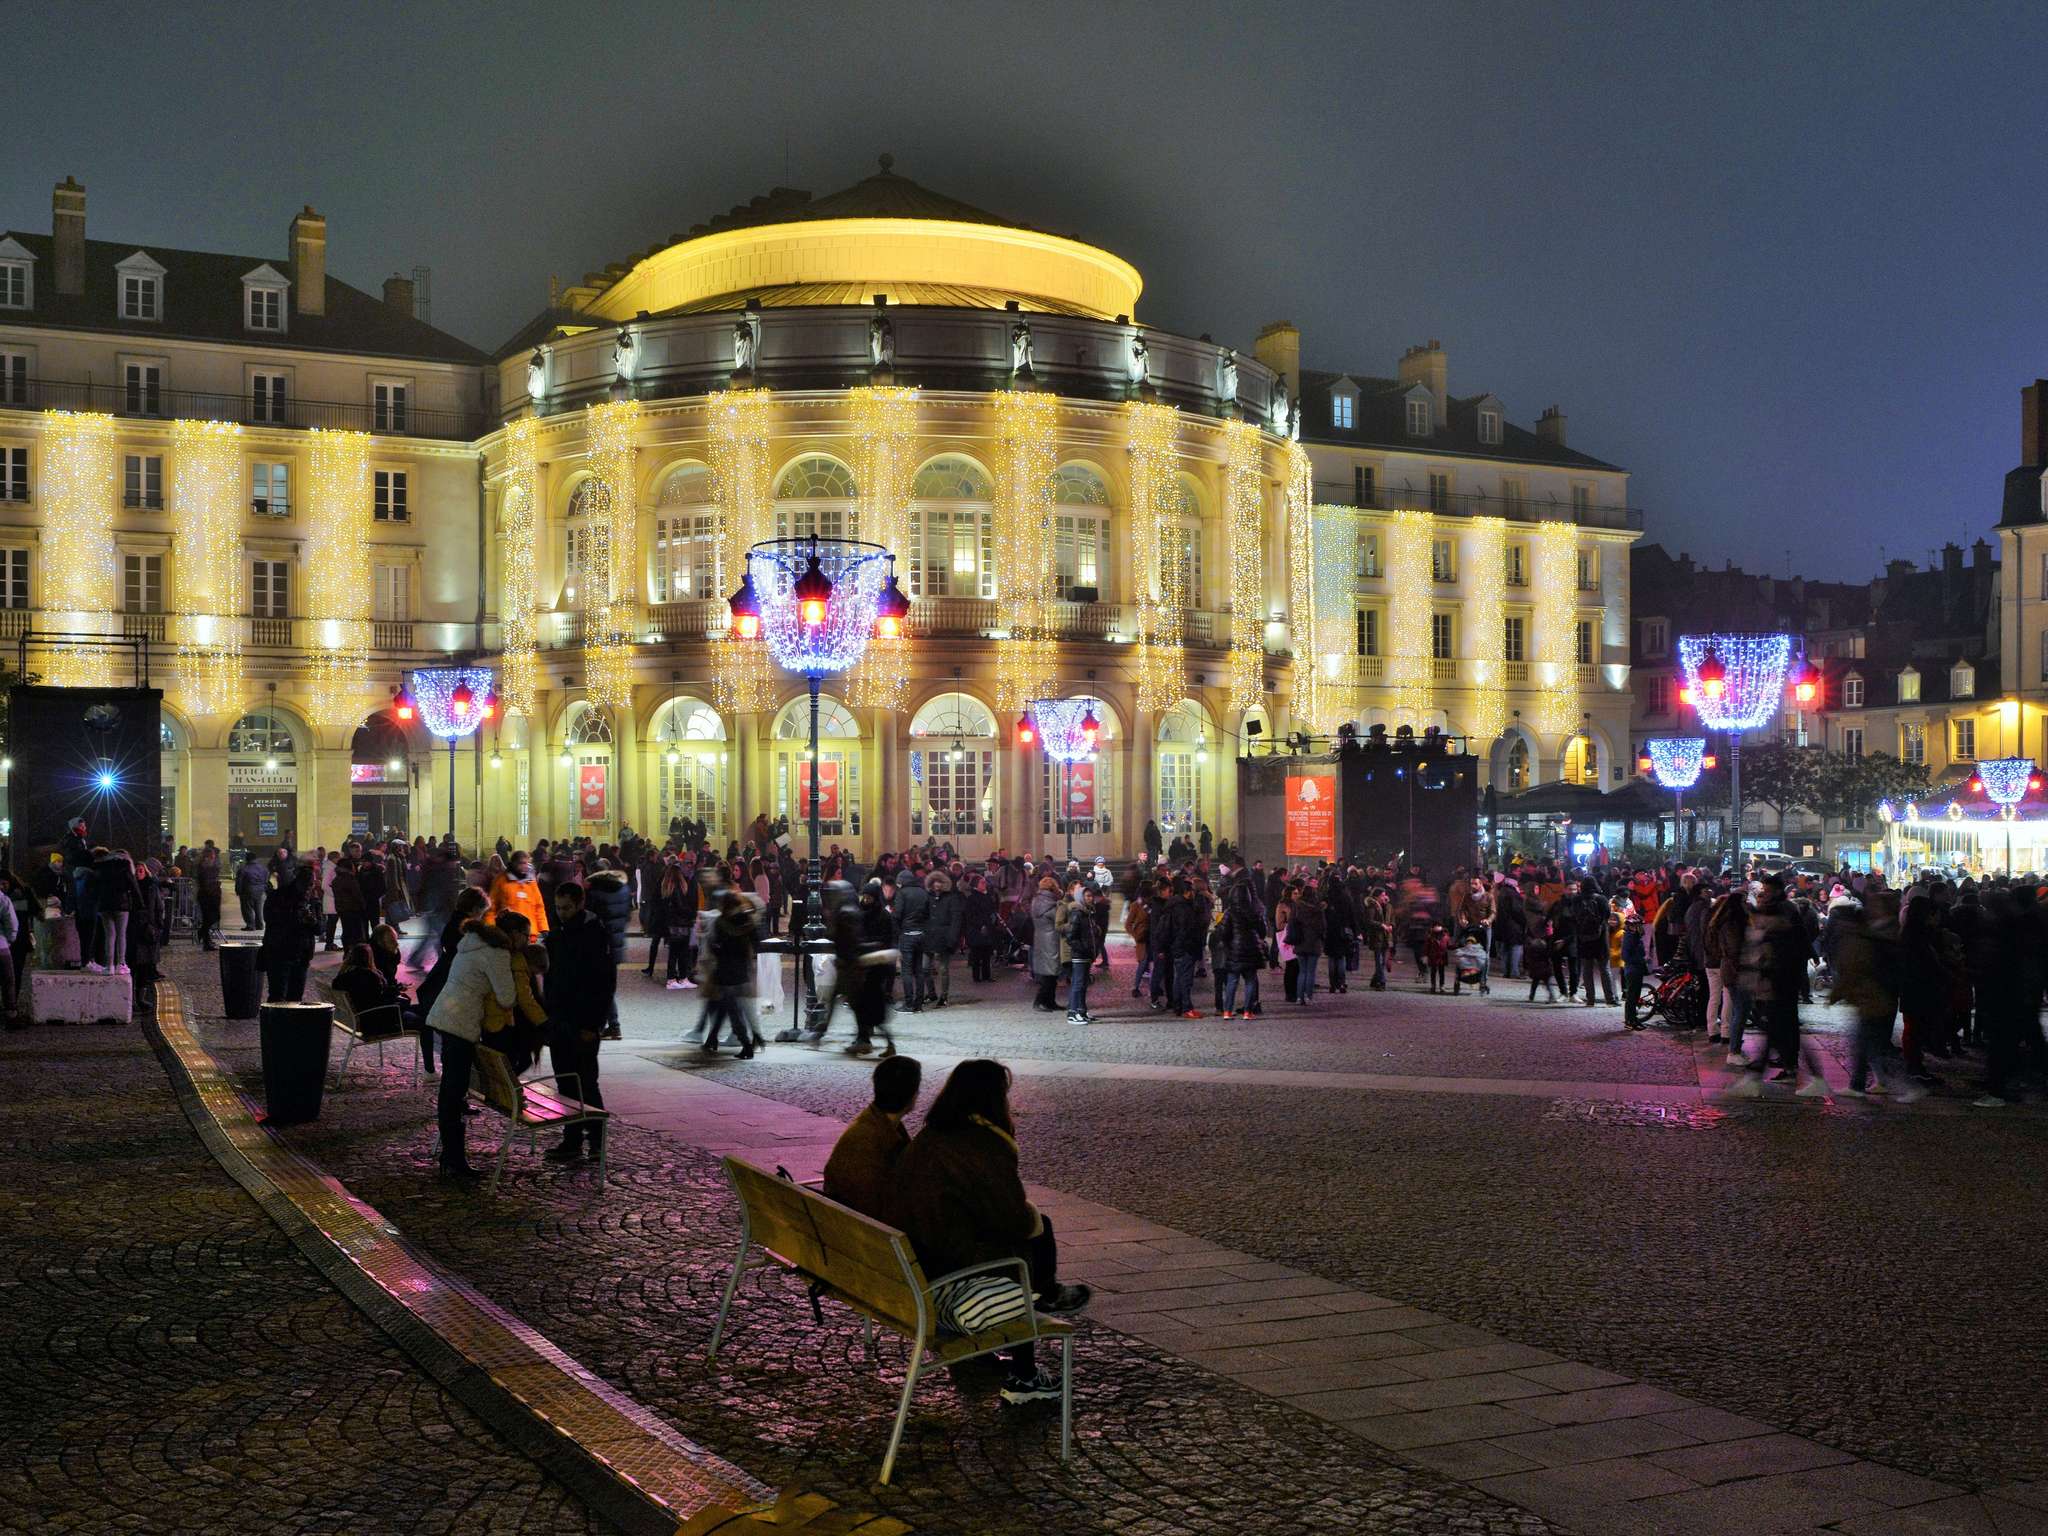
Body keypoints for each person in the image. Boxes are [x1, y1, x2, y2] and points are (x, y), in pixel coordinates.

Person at [894, 1060, 1091, 1406]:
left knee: (1033, 1229)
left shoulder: (932, 1135)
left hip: (921, 1257)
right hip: (948, 1269)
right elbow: (1012, 1219)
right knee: (1022, 1248)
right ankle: (1024, 1376)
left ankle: (1046, 1293)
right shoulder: (983, 1144)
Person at [423, 917, 517, 1179]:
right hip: (461, 1026)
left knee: (450, 1092)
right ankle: (453, 1158)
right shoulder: (497, 954)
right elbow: (507, 997)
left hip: (445, 1016)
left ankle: (451, 1155)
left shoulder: (469, 945)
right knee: (453, 1093)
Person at [541, 882, 614, 1164]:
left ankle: (596, 1141)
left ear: (580, 904)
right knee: (566, 1084)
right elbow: (551, 979)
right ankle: (571, 1139)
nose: (562, 913)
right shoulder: (557, 935)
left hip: (583, 1023)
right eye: (558, 908)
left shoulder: (595, 935)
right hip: (561, 1021)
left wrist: (594, 1024)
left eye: (567, 908)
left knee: (587, 1083)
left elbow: (603, 985)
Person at [822, 1054, 923, 1219]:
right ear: (912, 1095)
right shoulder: (869, 1140)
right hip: (864, 1225)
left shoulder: (875, 1123)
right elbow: (874, 1205)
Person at [699, 888, 762, 1058]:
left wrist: (716, 950)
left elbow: (716, 946)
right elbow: (756, 943)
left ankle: (746, 1045)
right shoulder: (747, 920)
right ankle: (714, 1038)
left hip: (725, 971)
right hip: (742, 970)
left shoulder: (721, 922)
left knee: (731, 1010)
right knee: (735, 1007)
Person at [586, 859, 633, 1040]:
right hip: (617, 945)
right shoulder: (623, 889)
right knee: (607, 987)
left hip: (599, 945)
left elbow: (589, 919)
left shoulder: (594, 892)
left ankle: (610, 1025)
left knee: (600, 987)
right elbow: (627, 916)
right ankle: (610, 1025)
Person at [259, 865, 320, 1002]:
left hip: (302, 955)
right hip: (280, 952)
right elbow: (270, 919)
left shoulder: (312, 900)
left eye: (312, 884)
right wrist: (296, 916)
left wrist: (312, 920)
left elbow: (320, 929)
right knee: (277, 995)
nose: (310, 887)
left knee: (296, 997)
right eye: (308, 884)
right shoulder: (279, 896)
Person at [90, 848, 142, 977]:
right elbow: (133, 885)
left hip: (104, 905)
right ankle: (121, 964)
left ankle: (109, 966)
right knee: (121, 934)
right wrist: (140, 903)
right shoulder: (125, 865)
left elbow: (95, 886)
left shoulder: (102, 866)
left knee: (109, 935)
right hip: (121, 904)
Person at [892, 864, 932, 1013]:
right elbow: (928, 914)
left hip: (907, 935)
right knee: (919, 970)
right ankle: (918, 1004)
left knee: (907, 971)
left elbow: (897, 914)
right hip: (921, 935)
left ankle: (909, 1004)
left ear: (901, 881)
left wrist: (897, 930)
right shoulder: (923, 892)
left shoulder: (902, 893)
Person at [1063, 883, 1102, 1025]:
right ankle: (1073, 1013)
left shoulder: (1088, 913)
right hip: (1080, 955)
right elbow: (1071, 937)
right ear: (1081, 897)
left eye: (1091, 896)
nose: (1090, 898)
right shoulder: (1077, 913)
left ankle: (1081, 1011)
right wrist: (1083, 949)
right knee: (1078, 984)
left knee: (1084, 984)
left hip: (1087, 955)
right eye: (1087, 896)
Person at [924, 870, 962, 1008]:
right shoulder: (927, 897)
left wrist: (952, 937)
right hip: (928, 937)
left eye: (939, 881)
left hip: (944, 937)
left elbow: (956, 919)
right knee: (924, 968)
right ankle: (931, 993)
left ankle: (944, 996)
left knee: (943, 969)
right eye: (934, 881)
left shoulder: (951, 898)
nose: (937, 884)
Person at [490, 851, 551, 936]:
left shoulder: (531, 882)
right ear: (513, 863)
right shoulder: (501, 881)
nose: (524, 866)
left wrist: (544, 929)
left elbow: (539, 907)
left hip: (530, 934)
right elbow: (491, 907)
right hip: (508, 934)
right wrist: (491, 928)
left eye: (526, 863)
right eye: (521, 863)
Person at [1028, 876, 1061, 1011]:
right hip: (1051, 939)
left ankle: (1050, 1001)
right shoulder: (1052, 904)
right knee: (1051, 973)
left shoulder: (1036, 901)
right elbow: (1059, 920)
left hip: (1040, 938)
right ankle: (1039, 1001)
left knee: (1049, 972)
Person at [1619, 912, 1649, 1029]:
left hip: (1636, 969)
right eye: (1637, 925)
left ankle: (1633, 1019)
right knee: (1631, 997)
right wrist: (1638, 960)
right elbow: (1625, 956)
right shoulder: (1630, 937)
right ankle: (1630, 1021)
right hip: (1632, 970)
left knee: (1635, 997)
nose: (1639, 928)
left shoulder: (1635, 937)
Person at [195, 842, 223, 951]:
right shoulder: (203, 867)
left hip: (212, 895)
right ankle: (205, 939)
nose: (214, 858)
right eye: (212, 856)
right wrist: (214, 885)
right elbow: (205, 882)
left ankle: (204, 936)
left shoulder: (211, 867)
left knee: (214, 917)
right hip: (207, 896)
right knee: (209, 918)